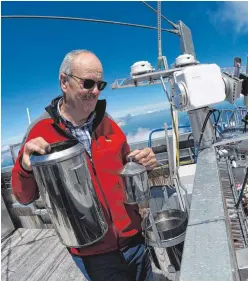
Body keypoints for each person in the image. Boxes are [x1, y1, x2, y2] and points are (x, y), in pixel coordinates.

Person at [11, 50, 157, 281]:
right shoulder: (40, 133)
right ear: (64, 82)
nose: (96, 91)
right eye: (88, 83)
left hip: (134, 240)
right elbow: (23, 197)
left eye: (101, 84)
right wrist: (25, 167)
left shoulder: (109, 125)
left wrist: (142, 162)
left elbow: (126, 165)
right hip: (94, 253)